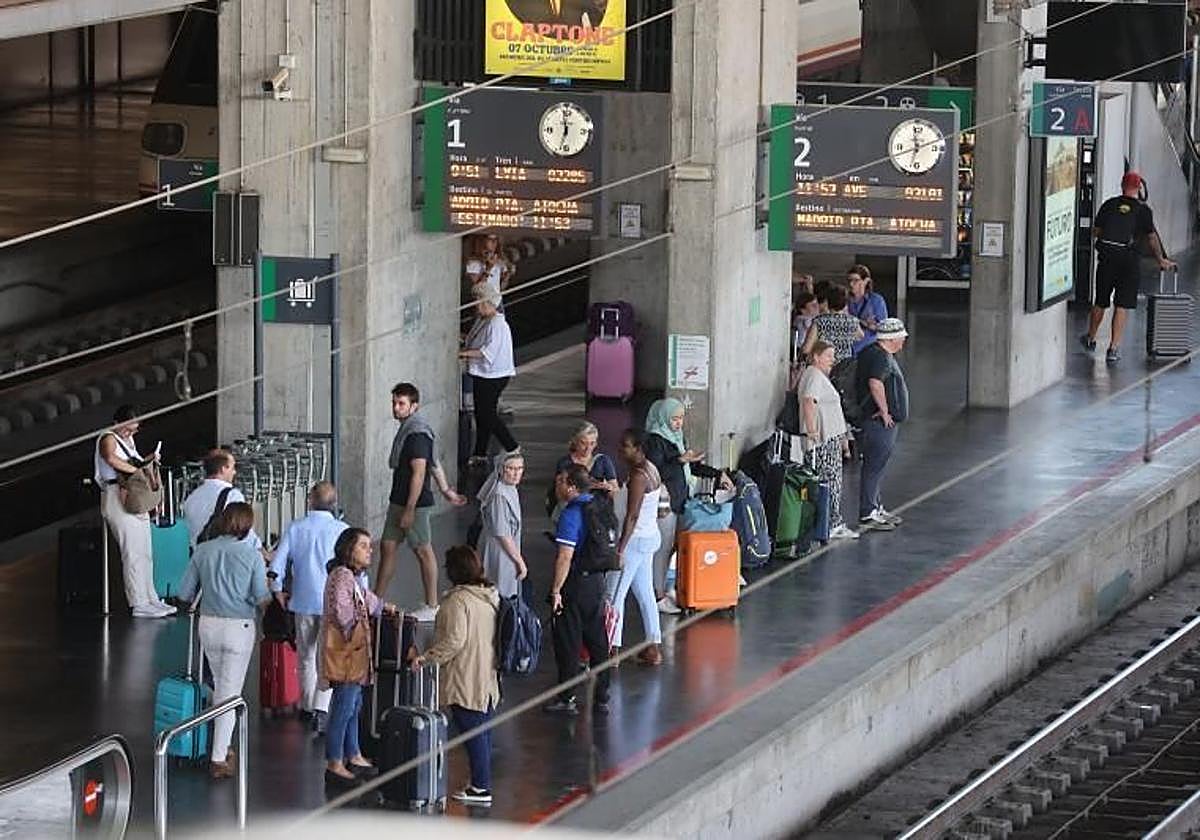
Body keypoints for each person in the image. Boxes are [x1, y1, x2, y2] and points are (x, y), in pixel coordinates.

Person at [176, 503, 270, 779]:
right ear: (247, 525)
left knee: (220, 687)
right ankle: (217, 758)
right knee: (230, 695)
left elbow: (183, 593)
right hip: (238, 628)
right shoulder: (252, 555)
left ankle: (220, 744)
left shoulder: (203, 551)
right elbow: (261, 597)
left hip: (208, 626)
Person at [411, 546, 501, 806]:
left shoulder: (457, 601)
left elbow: (454, 641)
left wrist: (426, 658)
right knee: (482, 732)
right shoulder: (489, 597)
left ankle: (481, 788)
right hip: (486, 676)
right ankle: (480, 784)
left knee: (472, 733)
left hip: (465, 677)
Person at [378, 382, 466, 619]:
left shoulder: (416, 434)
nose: (396, 408)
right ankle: (376, 600)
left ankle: (432, 603)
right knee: (388, 546)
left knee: (422, 550)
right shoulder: (409, 429)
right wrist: (446, 490)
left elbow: (420, 472)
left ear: (414, 406)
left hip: (412, 504)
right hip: (399, 500)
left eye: (401, 403)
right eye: (394, 403)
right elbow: (435, 464)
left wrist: (409, 509)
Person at [268, 481, 348, 735]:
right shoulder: (342, 530)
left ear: (310, 500)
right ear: (334, 504)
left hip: (302, 601)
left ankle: (305, 705)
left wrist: (277, 589)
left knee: (305, 656)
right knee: (327, 657)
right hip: (333, 603)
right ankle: (321, 710)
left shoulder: (296, 527)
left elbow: (278, 563)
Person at [321, 527, 398, 786]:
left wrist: (381, 606)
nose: (370, 550)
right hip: (347, 654)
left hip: (353, 656)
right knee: (344, 706)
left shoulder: (348, 577)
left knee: (354, 706)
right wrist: (361, 619)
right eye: (364, 546)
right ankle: (335, 761)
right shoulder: (342, 577)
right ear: (348, 549)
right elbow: (343, 613)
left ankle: (353, 754)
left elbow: (366, 599)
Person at [643, 398, 731, 615]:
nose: (678, 422)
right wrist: (680, 461)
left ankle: (667, 587)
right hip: (665, 503)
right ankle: (657, 595)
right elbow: (654, 472)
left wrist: (718, 474)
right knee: (661, 550)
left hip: (680, 500)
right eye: (674, 418)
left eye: (681, 418)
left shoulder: (677, 438)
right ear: (664, 417)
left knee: (674, 547)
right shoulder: (656, 440)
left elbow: (691, 466)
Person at [1082, 171, 1176, 363]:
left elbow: (1097, 231)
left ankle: (1091, 338)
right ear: (1139, 188)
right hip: (1130, 261)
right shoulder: (1143, 211)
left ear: (1122, 185)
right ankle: (1113, 349)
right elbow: (1151, 237)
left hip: (1108, 259)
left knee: (1100, 301)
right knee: (1122, 305)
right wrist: (1160, 260)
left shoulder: (1109, 205)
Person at [94, 404, 175, 618]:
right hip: (117, 495)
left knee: (145, 551)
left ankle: (151, 597)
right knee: (132, 552)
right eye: (126, 429)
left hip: (133, 495)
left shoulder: (128, 441)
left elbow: (134, 461)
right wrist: (137, 471)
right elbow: (111, 458)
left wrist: (148, 460)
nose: (129, 433)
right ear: (116, 423)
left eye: (133, 430)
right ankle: (138, 602)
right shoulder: (108, 437)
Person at [544, 465, 612, 716]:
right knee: (597, 639)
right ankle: (602, 694)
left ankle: (567, 696)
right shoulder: (598, 505)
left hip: (576, 583)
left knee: (568, 641)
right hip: (596, 582)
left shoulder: (571, 514)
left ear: (572, 486)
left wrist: (556, 590)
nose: (557, 486)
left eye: (561, 481)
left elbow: (564, 556)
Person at [609, 429, 665, 665]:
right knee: (644, 594)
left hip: (635, 542)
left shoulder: (639, 476)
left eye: (626, 446)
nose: (621, 449)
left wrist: (621, 548)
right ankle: (653, 647)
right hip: (649, 537)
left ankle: (612, 651)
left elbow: (631, 516)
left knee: (614, 595)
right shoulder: (650, 468)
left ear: (639, 448)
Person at [854, 318, 910, 532]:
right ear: (891, 339)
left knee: (876, 466)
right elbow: (875, 383)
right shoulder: (880, 357)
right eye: (901, 338)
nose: (903, 342)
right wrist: (885, 411)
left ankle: (875, 506)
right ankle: (868, 512)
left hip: (873, 421)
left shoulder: (871, 352)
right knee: (874, 466)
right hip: (877, 423)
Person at [798, 342, 857, 541]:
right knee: (830, 480)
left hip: (829, 437)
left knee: (829, 480)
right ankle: (831, 522)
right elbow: (809, 401)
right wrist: (812, 429)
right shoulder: (814, 375)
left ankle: (828, 521)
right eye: (828, 356)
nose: (832, 360)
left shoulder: (815, 375)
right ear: (816, 356)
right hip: (823, 439)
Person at [459, 284, 519, 468]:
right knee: (481, 413)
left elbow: (487, 352)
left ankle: (512, 447)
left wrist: (463, 353)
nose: (475, 307)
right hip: (482, 374)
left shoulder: (497, 324)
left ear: (488, 303)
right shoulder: (483, 320)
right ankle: (480, 452)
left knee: (487, 414)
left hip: (493, 376)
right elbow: (473, 338)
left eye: (478, 303)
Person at [181, 449, 263, 553]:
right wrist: (263, 552)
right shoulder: (232, 495)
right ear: (223, 469)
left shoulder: (192, 497)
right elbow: (244, 531)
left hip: (198, 558)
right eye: (233, 467)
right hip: (224, 557)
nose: (234, 472)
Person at [476, 453, 527, 599]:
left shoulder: (510, 488)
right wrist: (519, 560)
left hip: (507, 549)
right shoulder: (499, 495)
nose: (516, 473)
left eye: (520, 468)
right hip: (499, 550)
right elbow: (502, 533)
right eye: (511, 468)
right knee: (500, 591)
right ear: (501, 469)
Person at [803, 284, 863, 363]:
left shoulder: (819, 321)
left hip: (825, 365)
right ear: (845, 303)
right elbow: (860, 336)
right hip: (846, 368)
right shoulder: (853, 321)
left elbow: (806, 349)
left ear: (827, 302)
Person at [555, 421, 619, 493]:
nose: (588, 448)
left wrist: (609, 488)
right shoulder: (565, 463)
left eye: (592, 443)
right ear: (575, 441)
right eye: (583, 443)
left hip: (599, 503)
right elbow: (559, 491)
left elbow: (615, 490)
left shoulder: (603, 460)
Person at [846, 265, 888, 356]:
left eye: (856, 280)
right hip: (848, 348)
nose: (851, 284)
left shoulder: (876, 300)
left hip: (869, 348)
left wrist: (870, 325)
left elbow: (884, 329)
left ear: (866, 281)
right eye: (849, 280)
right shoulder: (845, 300)